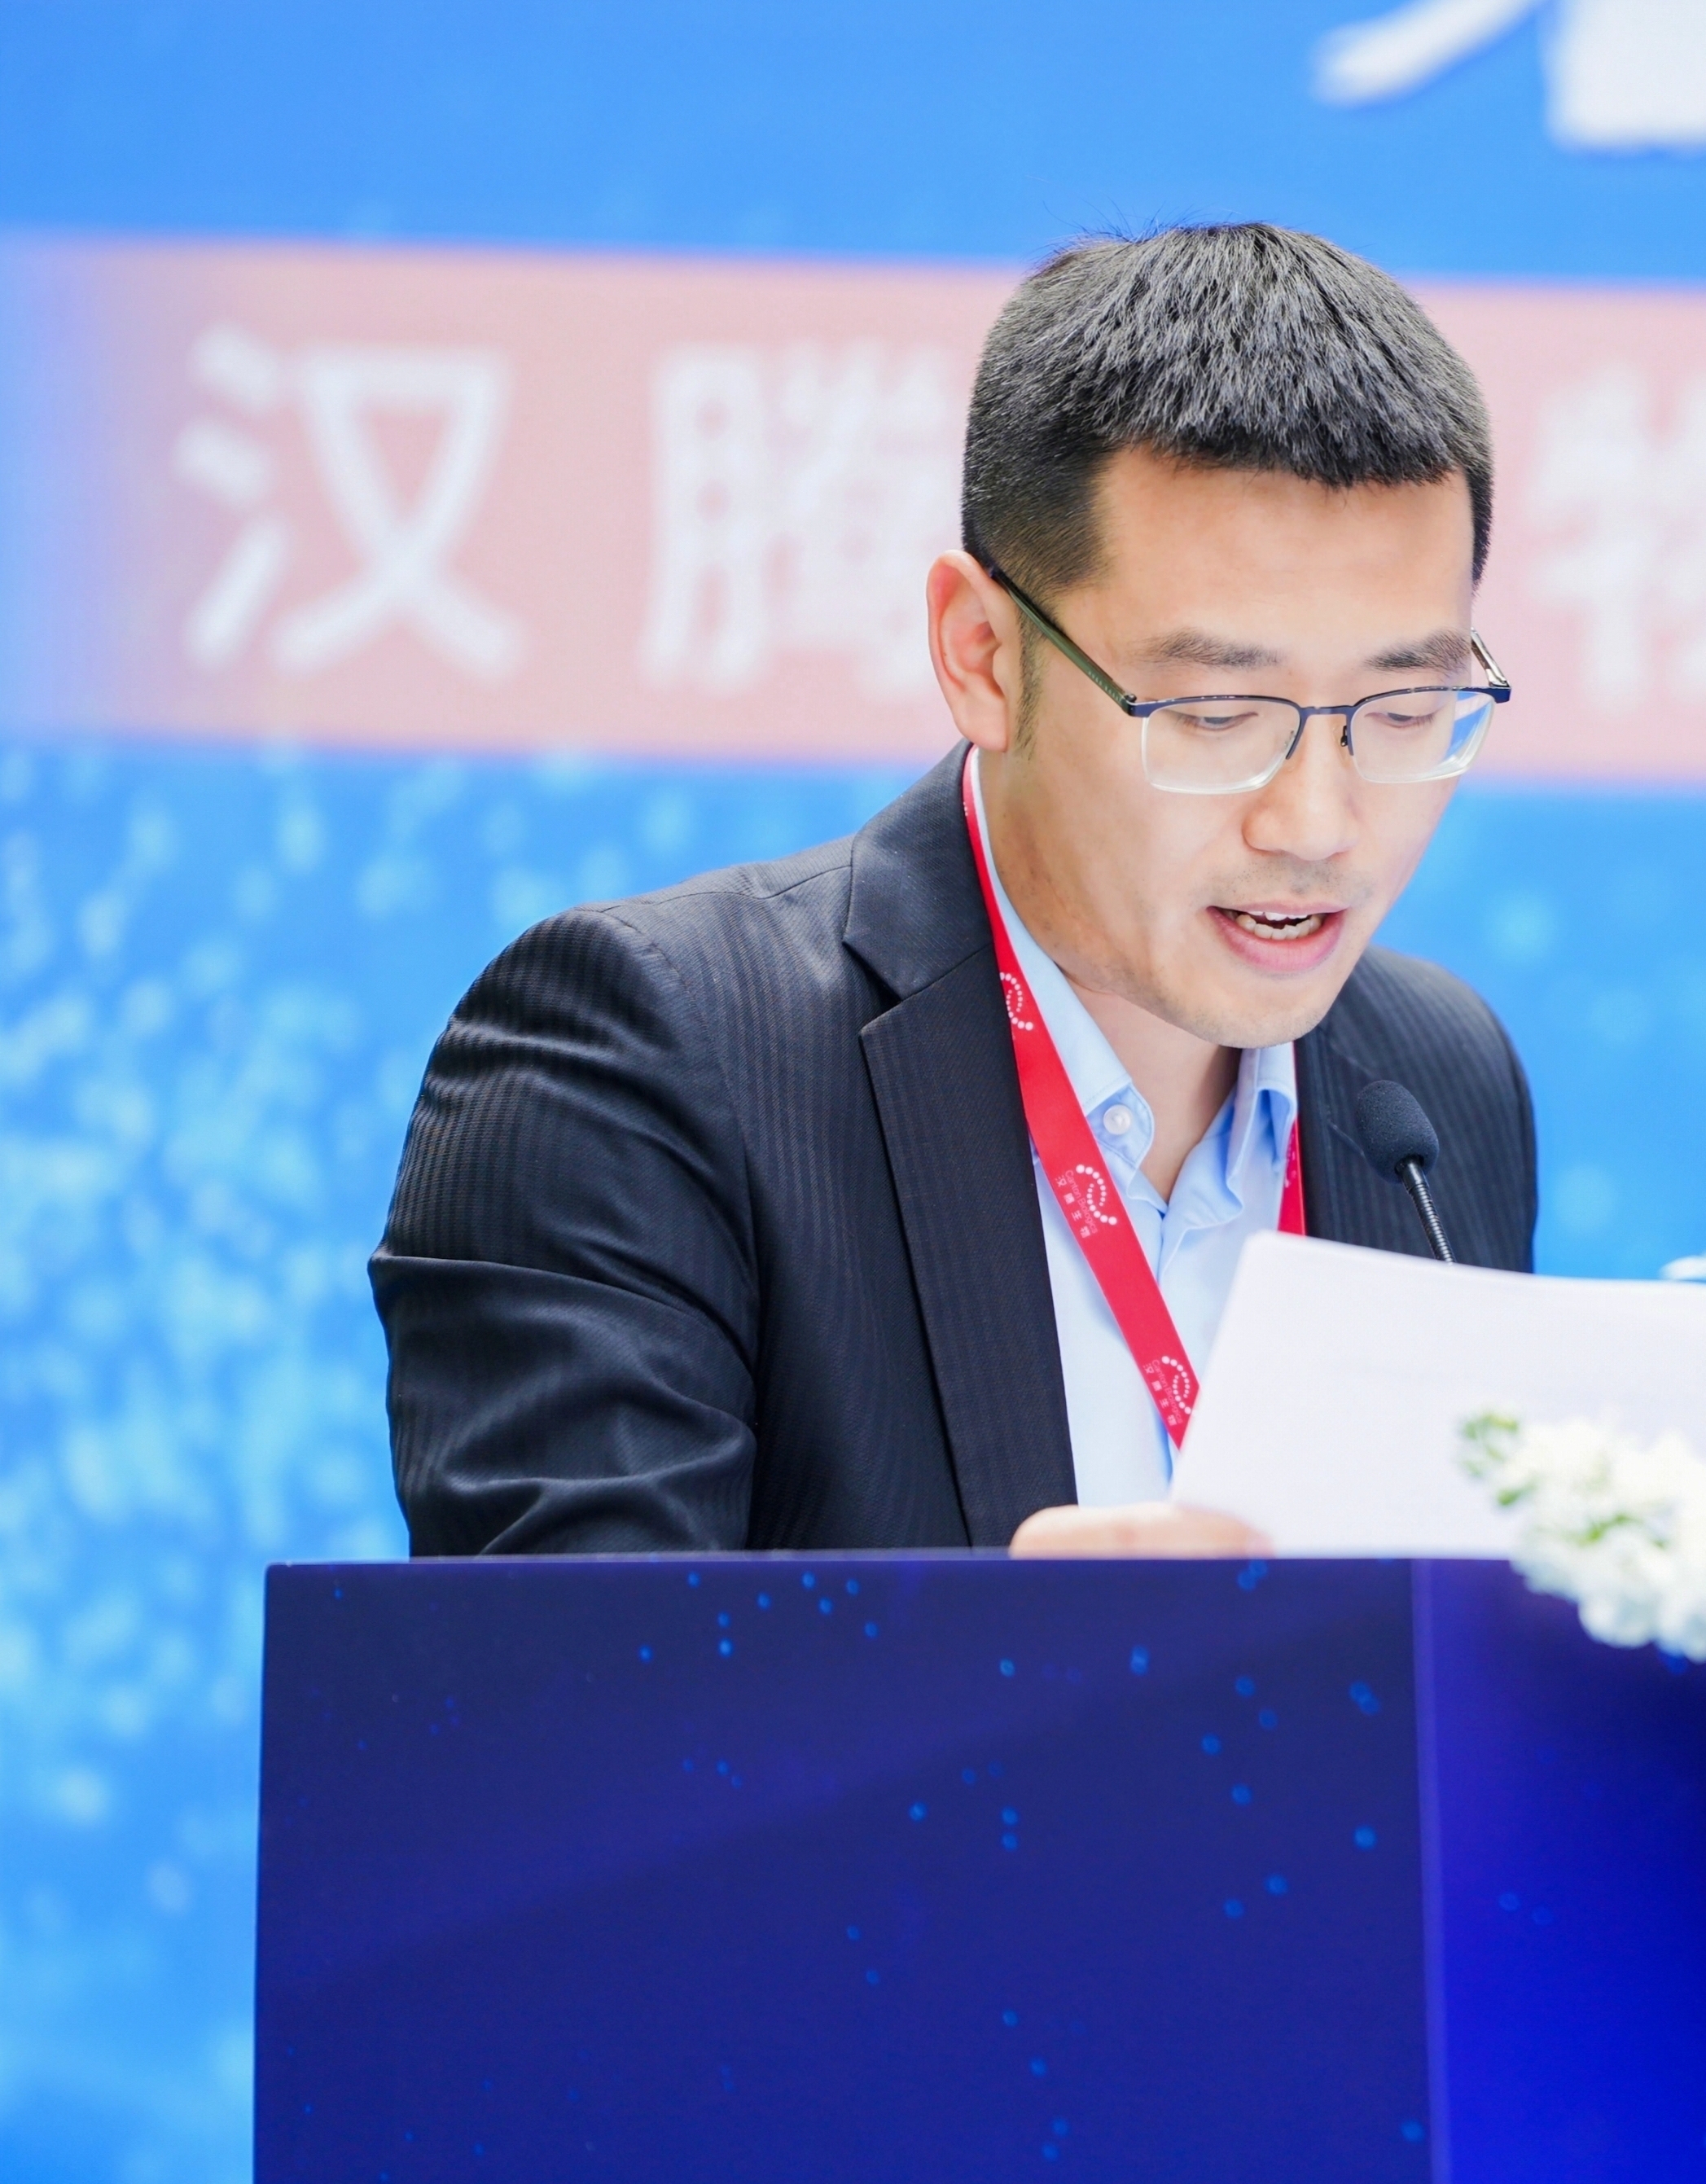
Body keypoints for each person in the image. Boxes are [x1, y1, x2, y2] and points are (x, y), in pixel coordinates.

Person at [374, 224, 1535, 1558]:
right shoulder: (647, 1061)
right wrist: (1031, 1670)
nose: (1318, 826)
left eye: (1405, 708)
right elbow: (590, 1682)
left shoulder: (1439, 1084)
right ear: (982, 654)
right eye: (1217, 713)